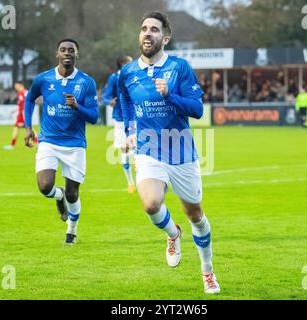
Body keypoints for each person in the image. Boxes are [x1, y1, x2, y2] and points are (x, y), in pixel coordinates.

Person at [119, 12, 220, 294]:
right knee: (151, 204)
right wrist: (129, 130)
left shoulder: (179, 67)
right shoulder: (127, 73)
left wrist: (170, 97)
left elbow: (197, 110)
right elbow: (125, 101)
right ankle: (172, 233)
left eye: (153, 29)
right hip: (148, 149)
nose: (147, 33)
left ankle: (207, 271)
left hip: (181, 151)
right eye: (143, 29)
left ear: (165, 38)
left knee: (196, 215)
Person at [24, 39, 99, 245]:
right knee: (44, 186)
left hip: (75, 144)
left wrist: (78, 107)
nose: (67, 53)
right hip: (48, 140)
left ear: (77, 55)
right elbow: (30, 99)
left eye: (71, 50)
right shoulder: (44, 79)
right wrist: (28, 127)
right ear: (57, 54)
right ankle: (59, 196)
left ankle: (72, 231)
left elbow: (94, 117)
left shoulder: (86, 82)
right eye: (63, 50)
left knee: (73, 194)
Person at [102, 56, 136, 193]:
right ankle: (130, 182)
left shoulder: (136, 76)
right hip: (120, 120)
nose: (132, 64)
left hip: (135, 118)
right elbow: (105, 96)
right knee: (124, 150)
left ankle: (143, 181)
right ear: (122, 64)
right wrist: (108, 101)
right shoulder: (114, 78)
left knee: (136, 150)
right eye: (129, 62)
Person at [4, 82, 35, 150]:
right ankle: (38, 142)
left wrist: (25, 115)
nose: (16, 88)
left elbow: (26, 104)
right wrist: (15, 110)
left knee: (25, 128)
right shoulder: (25, 92)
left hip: (22, 114)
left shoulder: (22, 93)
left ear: (19, 85)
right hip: (22, 113)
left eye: (16, 86)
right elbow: (23, 105)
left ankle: (12, 145)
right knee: (28, 128)